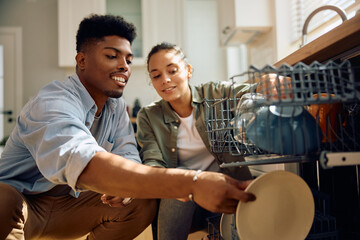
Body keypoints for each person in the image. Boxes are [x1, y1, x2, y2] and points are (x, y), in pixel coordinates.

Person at [0, 15, 255, 240]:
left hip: (70, 206)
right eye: (112, 56)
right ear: (82, 60)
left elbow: (129, 156)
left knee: (138, 200)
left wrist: (124, 192)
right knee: (2, 198)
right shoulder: (52, 102)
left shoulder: (115, 107)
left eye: (129, 59)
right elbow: (85, 164)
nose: (124, 65)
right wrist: (192, 182)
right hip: (23, 206)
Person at [136, 42, 255, 240]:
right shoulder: (148, 116)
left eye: (172, 70)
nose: (165, 80)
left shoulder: (215, 94)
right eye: (156, 76)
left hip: (226, 194)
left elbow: (246, 93)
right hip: (183, 201)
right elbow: (153, 162)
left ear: (188, 71)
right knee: (180, 183)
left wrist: (266, 85)